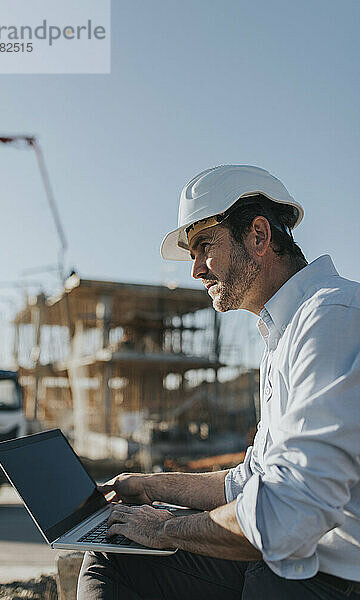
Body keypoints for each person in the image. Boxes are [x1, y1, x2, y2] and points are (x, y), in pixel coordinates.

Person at [78, 165, 360, 599]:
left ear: (259, 237)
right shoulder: (284, 334)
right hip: (287, 566)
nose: (195, 270)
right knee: (116, 551)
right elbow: (253, 480)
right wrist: (147, 486)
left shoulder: (330, 319)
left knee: (134, 548)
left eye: (203, 246)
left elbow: (287, 515)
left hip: (323, 582)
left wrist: (169, 529)